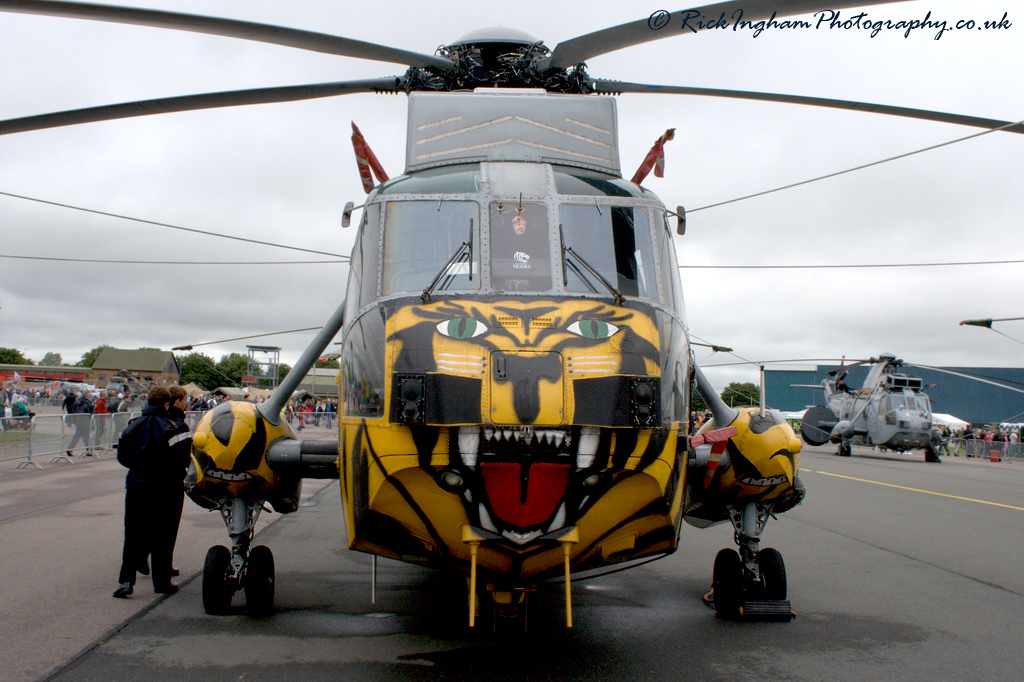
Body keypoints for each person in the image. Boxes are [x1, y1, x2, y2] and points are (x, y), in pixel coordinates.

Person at [112, 386, 192, 598]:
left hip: (137, 485)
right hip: (167, 486)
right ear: (167, 404)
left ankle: (126, 581)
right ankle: (162, 581)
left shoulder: (132, 426)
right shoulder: (174, 427)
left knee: (133, 534)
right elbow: (184, 457)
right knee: (164, 535)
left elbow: (123, 457)